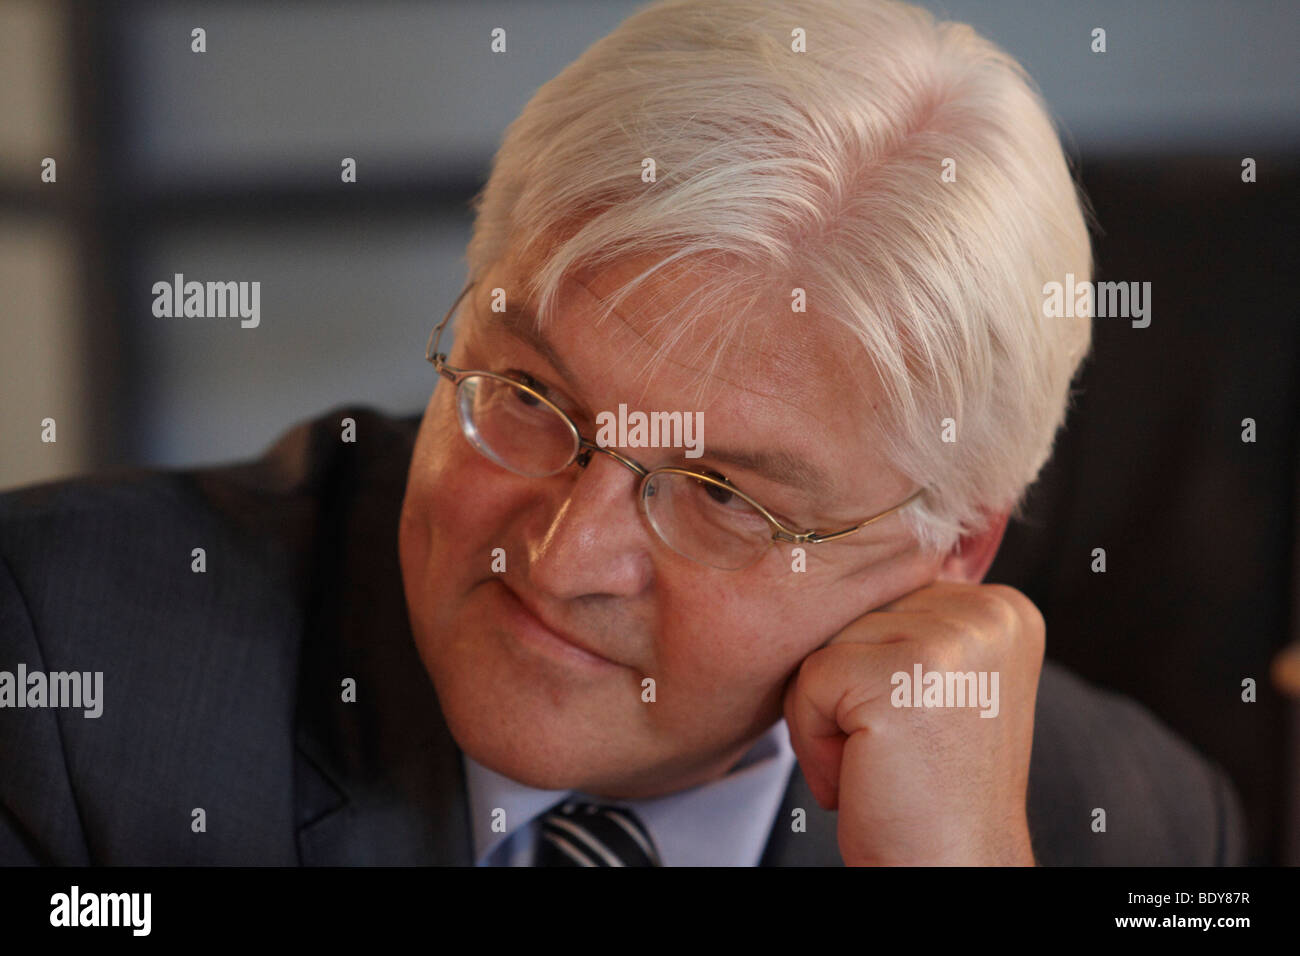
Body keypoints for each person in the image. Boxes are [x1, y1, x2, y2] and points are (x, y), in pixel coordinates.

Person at [0, 0, 1244, 866]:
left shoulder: (1128, 821)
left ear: (948, 554)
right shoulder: (66, 670)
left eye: (719, 494)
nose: (561, 556)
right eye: (532, 400)